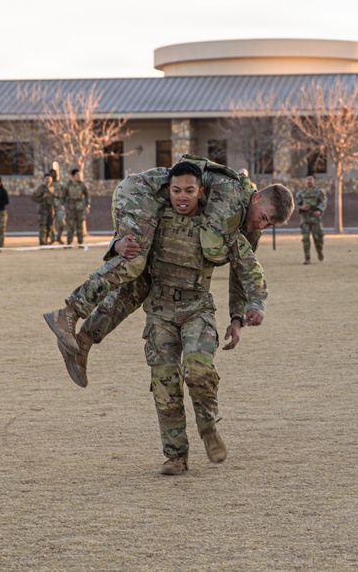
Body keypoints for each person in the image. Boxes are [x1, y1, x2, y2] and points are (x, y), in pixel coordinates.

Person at [44, 156, 294, 388]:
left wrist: (237, 316)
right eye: (263, 217)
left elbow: (241, 271)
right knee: (133, 260)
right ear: (256, 197)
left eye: (269, 224)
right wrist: (118, 243)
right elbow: (212, 247)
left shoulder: (250, 227)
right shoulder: (232, 194)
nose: (261, 225)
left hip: (158, 220)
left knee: (138, 286)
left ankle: (83, 343)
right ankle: (69, 312)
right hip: (141, 193)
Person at [138, 162, 249, 475]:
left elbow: (245, 267)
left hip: (197, 308)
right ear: (168, 191)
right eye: (176, 190)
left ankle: (208, 426)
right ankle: (176, 456)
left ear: (201, 192)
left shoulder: (215, 223)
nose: (182, 197)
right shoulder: (155, 217)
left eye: (189, 190)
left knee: (198, 368)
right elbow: (127, 242)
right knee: (164, 384)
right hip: (159, 311)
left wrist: (240, 315)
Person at [295, 174, 326, 264]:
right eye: (307, 179)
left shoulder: (319, 192)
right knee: (305, 239)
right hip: (305, 219)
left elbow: (323, 202)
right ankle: (307, 258)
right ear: (305, 181)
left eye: (311, 179)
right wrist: (301, 208)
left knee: (318, 238)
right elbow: (296, 205)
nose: (309, 181)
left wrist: (319, 210)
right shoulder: (301, 193)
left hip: (315, 219)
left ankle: (319, 251)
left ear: (314, 180)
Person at [63, 168, 91, 246]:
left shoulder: (82, 185)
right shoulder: (67, 185)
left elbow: (87, 195)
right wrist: (62, 206)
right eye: (77, 175)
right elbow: (63, 196)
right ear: (73, 176)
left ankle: (80, 242)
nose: (79, 176)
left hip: (80, 208)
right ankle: (69, 242)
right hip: (70, 208)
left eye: (80, 175)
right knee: (70, 225)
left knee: (80, 225)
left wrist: (87, 206)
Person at [31, 173, 57, 246]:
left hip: (51, 209)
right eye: (46, 179)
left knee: (50, 226)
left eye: (50, 179)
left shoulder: (53, 188)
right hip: (43, 209)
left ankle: (47, 239)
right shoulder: (40, 188)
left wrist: (55, 196)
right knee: (43, 226)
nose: (48, 180)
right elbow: (33, 197)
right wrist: (42, 198)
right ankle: (42, 241)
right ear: (44, 180)